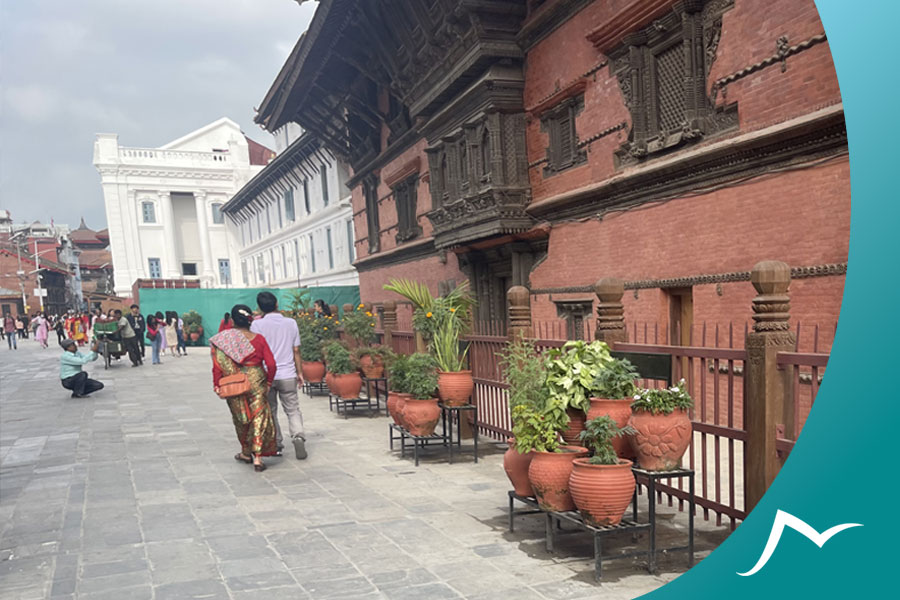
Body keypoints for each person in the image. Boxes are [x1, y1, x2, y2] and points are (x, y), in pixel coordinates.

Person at [209, 304, 278, 472]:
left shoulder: (222, 340)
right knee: (258, 416)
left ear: (232, 320)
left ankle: (246, 452)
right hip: (257, 380)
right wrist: (268, 382)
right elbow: (271, 364)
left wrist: (217, 385)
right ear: (250, 320)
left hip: (234, 381)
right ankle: (258, 457)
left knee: (241, 417)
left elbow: (217, 366)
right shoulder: (259, 339)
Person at [251, 291, 307, 460]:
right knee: (293, 409)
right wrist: (300, 373)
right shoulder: (291, 323)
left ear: (260, 308)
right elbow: (296, 350)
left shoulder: (257, 326)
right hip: (288, 373)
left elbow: (256, 352)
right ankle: (298, 435)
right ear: (276, 304)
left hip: (267, 375)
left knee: (271, 410)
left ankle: (276, 442)